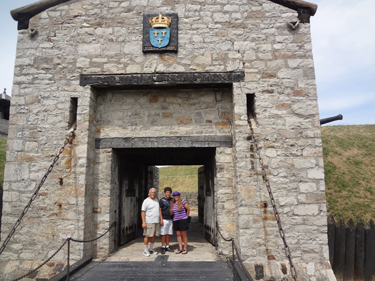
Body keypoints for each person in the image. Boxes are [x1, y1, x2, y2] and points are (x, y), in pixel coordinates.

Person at [141, 188, 160, 257]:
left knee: (154, 235)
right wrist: (143, 222)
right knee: (147, 235)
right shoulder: (146, 201)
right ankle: (145, 250)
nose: (153, 193)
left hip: (156, 221)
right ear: (149, 193)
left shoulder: (156, 200)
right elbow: (143, 212)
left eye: (154, 192)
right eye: (152, 192)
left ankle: (151, 248)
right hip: (149, 221)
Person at [159, 187, 173, 254]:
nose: (168, 194)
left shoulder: (172, 200)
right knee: (163, 233)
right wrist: (161, 219)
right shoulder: (162, 200)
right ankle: (162, 246)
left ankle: (167, 246)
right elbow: (160, 210)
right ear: (165, 193)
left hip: (170, 218)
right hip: (164, 218)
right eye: (167, 192)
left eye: (169, 192)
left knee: (168, 233)